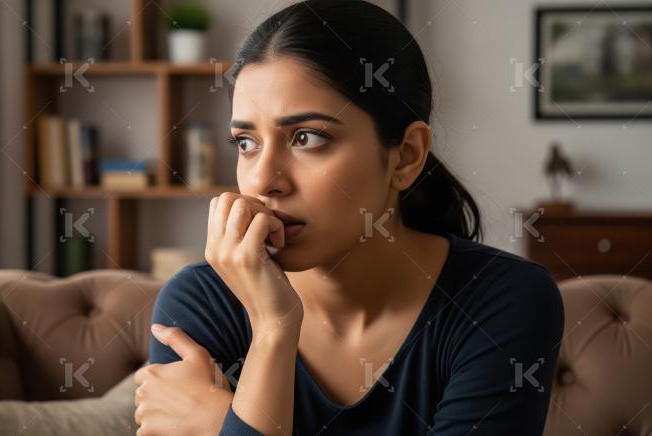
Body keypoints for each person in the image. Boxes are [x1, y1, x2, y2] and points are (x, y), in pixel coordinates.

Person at [133, 1, 564, 434]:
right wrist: (272, 329)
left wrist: (223, 426)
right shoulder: (200, 304)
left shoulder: (503, 301)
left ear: (405, 157)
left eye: (306, 138)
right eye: (246, 143)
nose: (264, 180)